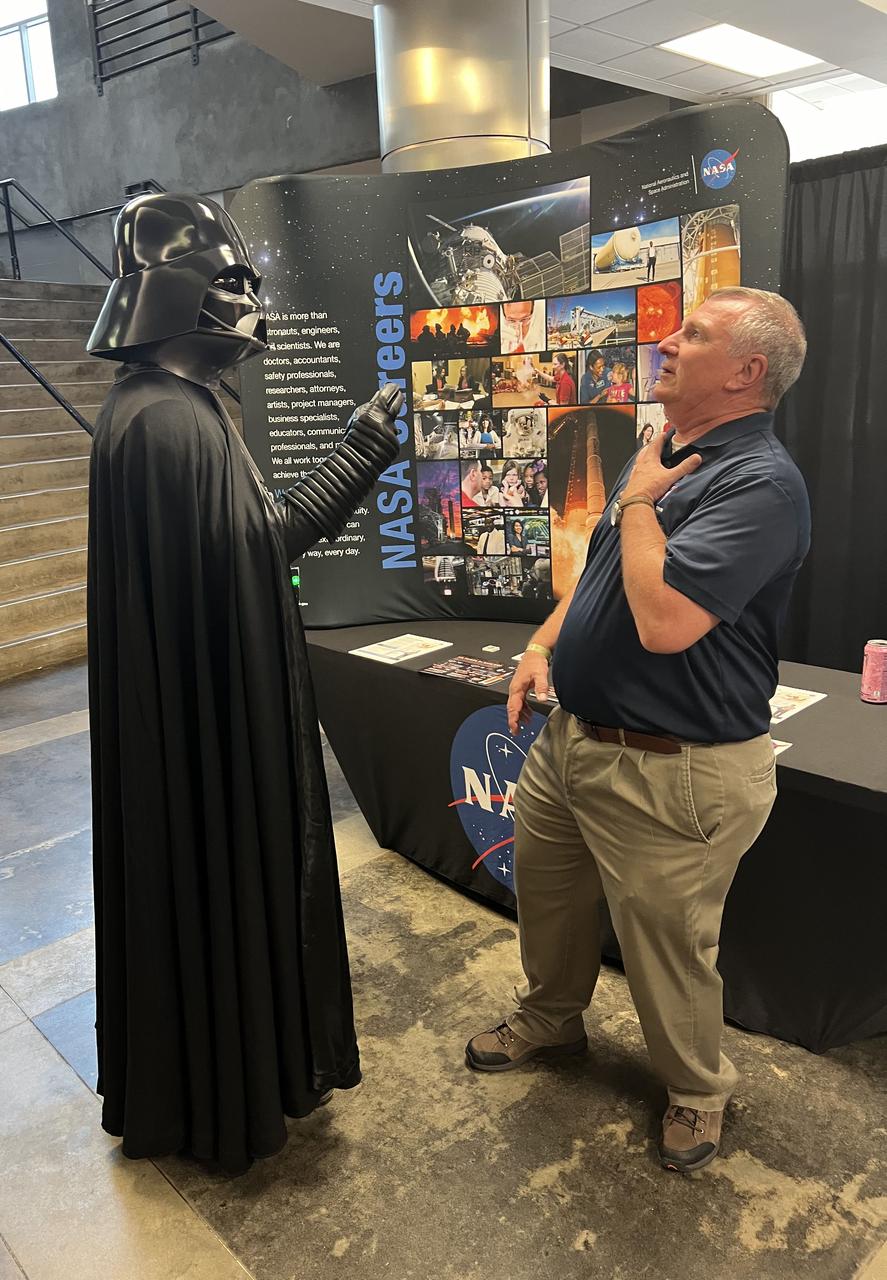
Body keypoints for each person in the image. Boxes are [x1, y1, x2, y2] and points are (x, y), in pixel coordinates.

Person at [85, 193, 403, 1175]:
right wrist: (360, 450)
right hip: (201, 735)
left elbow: (239, 552)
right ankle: (219, 1091)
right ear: (168, 289)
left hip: (193, 721)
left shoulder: (171, 409)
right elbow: (256, 551)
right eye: (229, 280)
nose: (248, 302)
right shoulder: (165, 421)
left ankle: (213, 1080)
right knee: (212, 882)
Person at [465, 287, 810, 1176]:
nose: (664, 341)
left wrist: (640, 505)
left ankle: (696, 1091)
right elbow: (601, 576)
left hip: (674, 767)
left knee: (668, 948)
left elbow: (663, 623)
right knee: (547, 901)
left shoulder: (760, 484)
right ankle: (550, 1020)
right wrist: (542, 645)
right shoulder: (660, 455)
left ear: (745, 372)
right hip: (573, 741)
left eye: (693, 334)